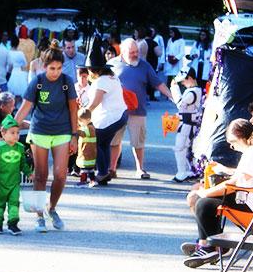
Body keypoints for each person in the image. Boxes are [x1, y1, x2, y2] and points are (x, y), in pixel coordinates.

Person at [183, 119, 253, 268]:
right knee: (207, 199)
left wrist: (206, 192)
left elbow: (233, 183)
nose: (232, 146)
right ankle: (211, 245)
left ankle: (209, 246)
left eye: (233, 142)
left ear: (243, 137)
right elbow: (244, 177)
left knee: (203, 202)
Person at [15, 43, 78, 232]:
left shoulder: (66, 81)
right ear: (44, 66)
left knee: (60, 175)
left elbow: (73, 110)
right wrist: (11, 124)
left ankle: (52, 207)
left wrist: (74, 135)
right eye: (52, 68)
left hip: (62, 131)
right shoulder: (38, 81)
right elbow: (25, 107)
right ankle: (39, 216)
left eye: (59, 68)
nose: (56, 72)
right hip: (40, 130)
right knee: (41, 175)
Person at [108, 38, 173, 179]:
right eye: (132, 52)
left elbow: (158, 83)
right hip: (117, 111)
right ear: (123, 52)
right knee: (114, 141)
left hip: (138, 111)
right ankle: (111, 169)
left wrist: (172, 96)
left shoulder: (144, 66)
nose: (135, 54)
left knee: (138, 141)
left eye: (136, 51)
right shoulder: (111, 65)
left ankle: (140, 169)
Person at [85, 38, 128, 184]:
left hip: (112, 117)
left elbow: (95, 103)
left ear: (93, 70)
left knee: (97, 140)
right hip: (120, 114)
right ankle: (105, 172)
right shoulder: (111, 76)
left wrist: (83, 113)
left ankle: (103, 172)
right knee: (104, 143)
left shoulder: (101, 81)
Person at [0, 114, 33, 235]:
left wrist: (28, 173)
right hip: (0, 183)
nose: (16, 135)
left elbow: (23, 163)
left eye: (17, 132)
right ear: (3, 134)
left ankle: (13, 224)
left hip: (14, 183)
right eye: (12, 133)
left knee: (14, 203)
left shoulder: (20, 148)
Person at [170, 66, 202, 182]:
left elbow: (180, 104)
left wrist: (174, 89)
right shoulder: (193, 91)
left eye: (184, 80)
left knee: (181, 147)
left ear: (190, 78)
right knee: (183, 148)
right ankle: (186, 171)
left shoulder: (193, 92)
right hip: (186, 123)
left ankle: (183, 172)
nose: (183, 83)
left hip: (188, 124)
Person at [75, 108, 97, 187]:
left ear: (88, 120)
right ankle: (92, 180)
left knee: (84, 170)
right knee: (90, 169)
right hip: (89, 153)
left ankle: (83, 181)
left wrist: (75, 130)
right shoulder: (90, 127)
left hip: (86, 153)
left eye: (81, 121)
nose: (79, 122)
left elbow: (83, 133)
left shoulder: (89, 128)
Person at [7, 35, 29, 101]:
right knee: (18, 93)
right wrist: (19, 65)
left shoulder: (7, 52)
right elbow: (25, 64)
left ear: (10, 43)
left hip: (9, 73)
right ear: (18, 43)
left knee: (9, 93)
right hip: (19, 72)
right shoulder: (20, 53)